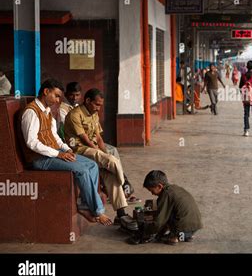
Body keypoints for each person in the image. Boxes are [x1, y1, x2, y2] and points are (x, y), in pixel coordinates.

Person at [20, 79, 112, 225]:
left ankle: (83, 205)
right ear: (46, 92)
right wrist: (58, 154)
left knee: (92, 165)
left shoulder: (47, 111)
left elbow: (53, 135)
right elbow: (31, 143)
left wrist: (65, 148)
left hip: (52, 152)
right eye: (56, 96)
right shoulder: (31, 112)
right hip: (39, 159)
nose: (58, 100)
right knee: (81, 170)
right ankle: (98, 211)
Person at [64, 88, 131, 224]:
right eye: (97, 104)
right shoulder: (74, 114)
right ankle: (125, 184)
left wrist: (104, 153)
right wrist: (102, 155)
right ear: (88, 100)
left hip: (92, 149)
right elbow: (85, 140)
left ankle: (121, 214)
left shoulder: (94, 114)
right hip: (80, 150)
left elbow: (99, 138)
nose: (99, 108)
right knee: (111, 161)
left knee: (110, 172)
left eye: (101, 105)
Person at [136, 170, 202, 245]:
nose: (152, 193)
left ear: (160, 186)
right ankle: (186, 236)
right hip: (195, 225)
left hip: (183, 227)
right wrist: (159, 233)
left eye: (152, 190)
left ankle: (175, 237)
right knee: (167, 212)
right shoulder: (174, 188)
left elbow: (159, 222)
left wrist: (146, 230)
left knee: (163, 215)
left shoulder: (165, 195)